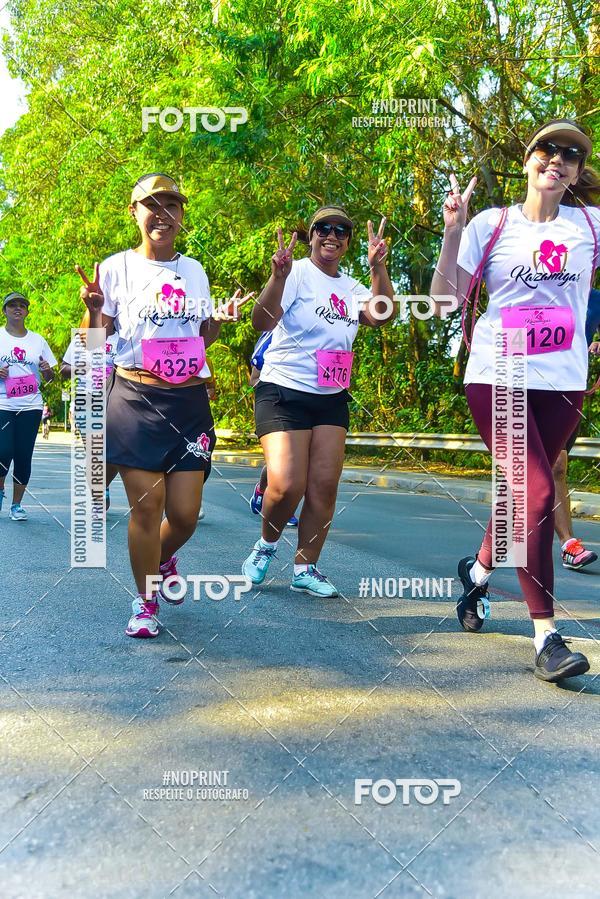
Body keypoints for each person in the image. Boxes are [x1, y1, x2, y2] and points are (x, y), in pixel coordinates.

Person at [431, 118, 599, 682]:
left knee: (520, 499)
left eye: (571, 155)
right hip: (498, 372)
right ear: (528, 160)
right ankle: (547, 636)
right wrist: (453, 230)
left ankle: (477, 577)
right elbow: (444, 301)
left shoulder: (591, 226)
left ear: (577, 173)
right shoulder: (491, 223)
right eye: (548, 149)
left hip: (563, 379)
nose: (558, 159)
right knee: (538, 490)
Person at [78, 172, 239, 639]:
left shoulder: (195, 271)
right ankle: (146, 600)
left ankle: (164, 557)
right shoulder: (113, 269)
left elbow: (202, 336)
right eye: (152, 204)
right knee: (147, 510)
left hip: (188, 400)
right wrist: (92, 308)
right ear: (135, 212)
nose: (162, 214)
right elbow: (94, 344)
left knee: (185, 515)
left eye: (171, 205)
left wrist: (220, 322)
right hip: (135, 398)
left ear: (181, 215)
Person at [242, 205, 395, 596]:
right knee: (286, 484)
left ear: (348, 242)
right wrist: (277, 277)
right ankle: (266, 546)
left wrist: (378, 268)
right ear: (311, 235)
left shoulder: (352, 287)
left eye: (341, 230)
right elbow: (261, 321)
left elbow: (382, 315)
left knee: (324, 486)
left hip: (330, 395)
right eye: (323, 228)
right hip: (283, 390)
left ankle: (306, 568)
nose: (332, 235)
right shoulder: (296, 274)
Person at [552, 287, 600, 570]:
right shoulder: (538, 288)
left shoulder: (594, 299)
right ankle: (491, 551)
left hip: (569, 392)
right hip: (527, 388)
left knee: (557, 465)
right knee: (531, 469)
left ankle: (568, 545)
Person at [0, 292, 57, 520]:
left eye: (21, 306)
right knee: (4, 451)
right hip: (3, 402)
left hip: (31, 405)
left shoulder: (37, 340)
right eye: (12, 305)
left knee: (24, 455)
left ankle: (17, 505)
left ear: (27, 312)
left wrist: (46, 370)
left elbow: (52, 377)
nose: (17, 309)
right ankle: (1, 489)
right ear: (4, 310)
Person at [61, 312, 120, 510]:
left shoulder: (125, 338)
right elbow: (63, 369)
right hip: (87, 399)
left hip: (117, 400)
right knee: (94, 451)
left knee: (113, 452)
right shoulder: (82, 339)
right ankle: (98, 497)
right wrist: (79, 367)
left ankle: (103, 486)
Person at [248, 331, 299, 527]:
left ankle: (282, 504)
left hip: (308, 406)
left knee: (299, 462)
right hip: (276, 405)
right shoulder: (270, 337)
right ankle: (264, 491)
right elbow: (253, 379)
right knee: (286, 462)